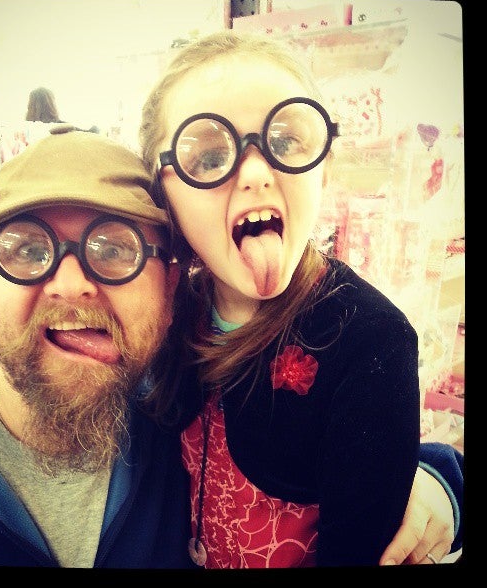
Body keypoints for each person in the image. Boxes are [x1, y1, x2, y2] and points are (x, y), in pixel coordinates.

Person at [0, 127, 461, 568]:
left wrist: (436, 483)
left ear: (171, 286)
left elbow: (340, 441)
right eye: (25, 249)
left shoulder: (174, 401)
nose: (70, 284)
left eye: (114, 250)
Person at [138, 30, 464, 568]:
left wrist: (441, 479)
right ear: (163, 192)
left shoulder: (370, 343)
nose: (256, 173)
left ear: (325, 168)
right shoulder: (169, 313)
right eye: (209, 155)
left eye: (286, 141)